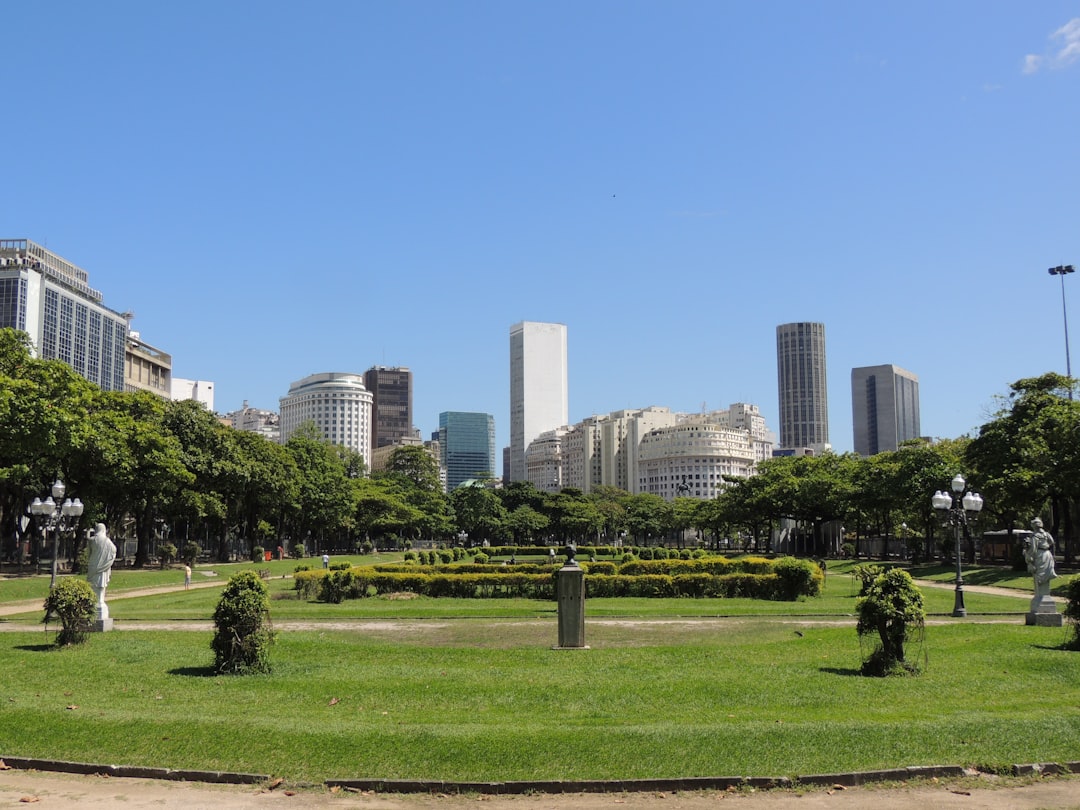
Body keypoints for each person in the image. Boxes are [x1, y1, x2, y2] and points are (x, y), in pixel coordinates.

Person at [86, 523, 117, 620]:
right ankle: (99, 601)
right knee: (100, 585)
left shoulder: (91, 540)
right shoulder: (107, 541)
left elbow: (88, 554)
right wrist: (107, 561)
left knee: (93, 585)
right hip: (102, 567)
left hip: (93, 565)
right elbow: (114, 550)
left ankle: (96, 602)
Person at [1024, 518, 1057, 598]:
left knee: (1039, 575)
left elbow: (1033, 549)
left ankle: (1040, 598)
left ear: (1033, 526)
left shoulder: (1035, 536)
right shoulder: (1046, 534)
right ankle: (1044, 597)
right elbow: (1052, 542)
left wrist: (1027, 554)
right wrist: (1046, 546)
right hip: (1047, 554)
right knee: (1045, 575)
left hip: (1040, 555)